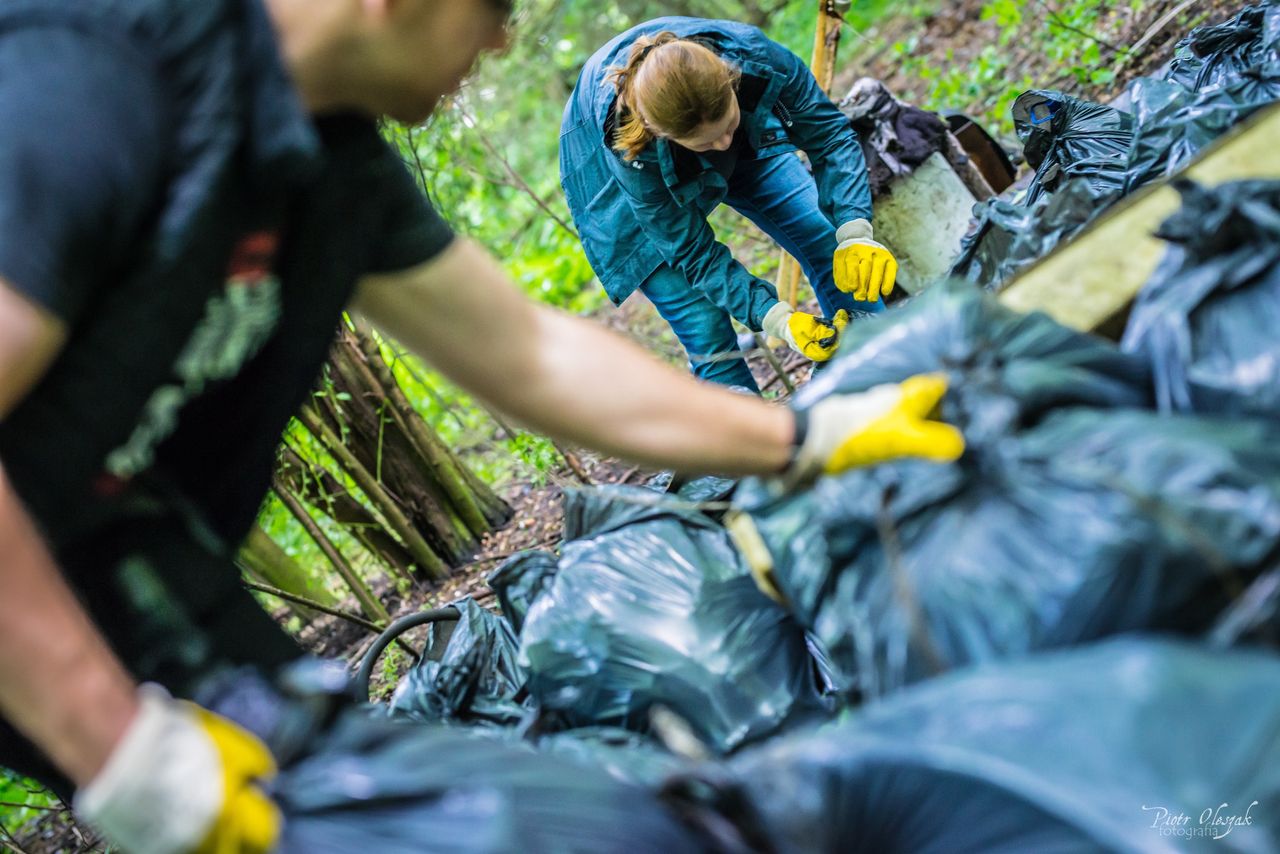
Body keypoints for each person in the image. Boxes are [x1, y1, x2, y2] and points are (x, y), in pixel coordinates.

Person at [0, 1, 961, 851]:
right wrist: (117, 747)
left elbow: (532, 357)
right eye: (490, 5)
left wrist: (806, 441)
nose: (502, 37)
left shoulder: (328, 162)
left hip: (148, 567)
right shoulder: (91, 83)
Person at [559, 17, 900, 392]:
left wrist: (854, 231)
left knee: (820, 235)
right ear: (665, 136)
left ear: (730, 82)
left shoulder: (751, 57)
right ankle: (758, 444)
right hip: (613, 185)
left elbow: (830, 136)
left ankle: (882, 372)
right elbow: (692, 253)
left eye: (727, 125)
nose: (722, 145)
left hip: (743, 132)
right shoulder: (631, 149)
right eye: (706, 144)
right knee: (705, 328)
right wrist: (777, 319)